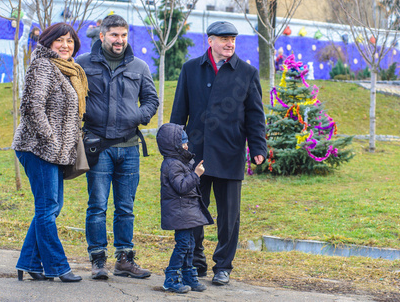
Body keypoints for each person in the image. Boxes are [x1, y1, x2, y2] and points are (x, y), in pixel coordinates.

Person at [170, 21, 267, 285]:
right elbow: (179, 111)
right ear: (210, 41)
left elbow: (255, 115)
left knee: (229, 216)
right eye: (224, 39)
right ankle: (196, 260)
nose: (230, 43)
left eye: (233, 39)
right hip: (196, 154)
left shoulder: (247, 73)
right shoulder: (191, 69)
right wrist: (175, 145)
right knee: (193, 210)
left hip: (230, 152)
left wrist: (258, 147)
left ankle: (223, 265)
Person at [77, 15, 159, 280]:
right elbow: (73, 98)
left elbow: (151, 100)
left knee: (126, 207)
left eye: (123, 35)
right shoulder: (83, 64)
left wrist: (137, 116)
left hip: (129, 148)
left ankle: (124, 259)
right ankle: (98, 259)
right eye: (114, 35)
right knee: (97, 205)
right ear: (102, 36)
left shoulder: (139, 66)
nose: (119, 40)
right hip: (97, 147)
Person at [12, 23, 88, 283]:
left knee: (52, 208)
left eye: (70, 40)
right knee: (47, 209)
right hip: (37, 148)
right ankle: (57, 266)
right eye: (60, 40)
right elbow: (32, 108)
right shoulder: (43, 66)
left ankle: (29, 262)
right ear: (48, 42)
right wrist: (52, 140)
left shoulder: (69, 70)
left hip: (55, 151)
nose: (66, 45)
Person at [156, 123, 214, 294]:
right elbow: (181, 187)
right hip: (179, 213)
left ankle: (188, 275)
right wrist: (196, 174)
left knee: (189, 244)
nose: (186, 146)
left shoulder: (181, 161)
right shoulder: (173, 164)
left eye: (186, 142)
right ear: (173, 146)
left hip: (186, 212)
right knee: (182, 244)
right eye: (183, 143)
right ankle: (171, 278)